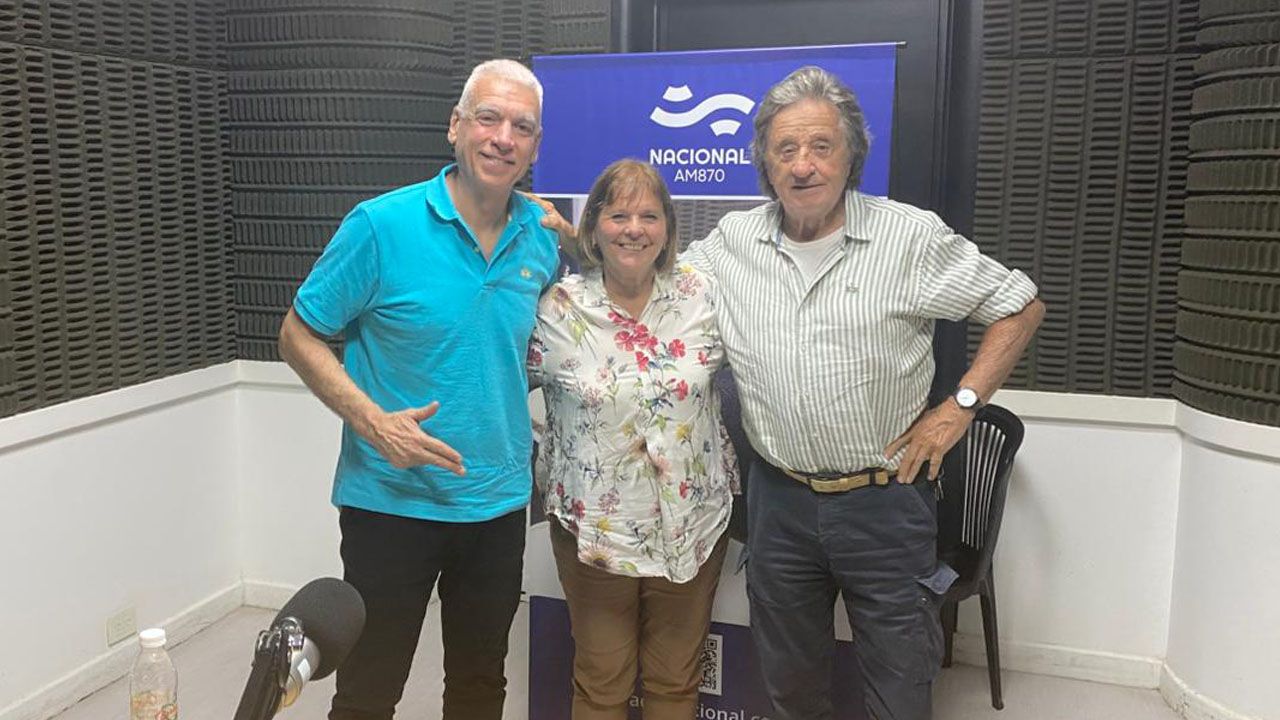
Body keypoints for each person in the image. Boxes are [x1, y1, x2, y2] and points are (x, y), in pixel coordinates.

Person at [539, 66, 1044, 720]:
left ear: (851, 154)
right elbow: (642, 267)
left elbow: (1019, 305)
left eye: (821, 146)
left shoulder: (910, 237)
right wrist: (572, 237)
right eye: (786, 150)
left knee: (898, 691)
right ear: (766, 165)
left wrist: (960, 407)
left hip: (884, 503)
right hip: (779, 505)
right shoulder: (733, 243)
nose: (804, 165)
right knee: (791, 690)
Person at [277, 59, 560, 720]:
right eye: (488, 118)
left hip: (496, 504)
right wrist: (374, 423)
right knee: (369, 691)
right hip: (391, 501)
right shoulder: (381, 226)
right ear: (456, 126)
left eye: (522, 127)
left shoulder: (541, 241)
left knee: (480, 685)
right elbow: (296, 334)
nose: (503, 138)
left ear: (535, 147)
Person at [528, 159, 738, 720]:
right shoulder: (556, 307)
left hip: (692, 525)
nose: (634, 229)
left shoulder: (701, 296)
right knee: (602, 681)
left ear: (668, 228)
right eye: (618, 215)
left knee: (676, 681)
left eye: (649, 216)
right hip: (596, 532)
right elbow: (494, 373)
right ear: (593, 225)